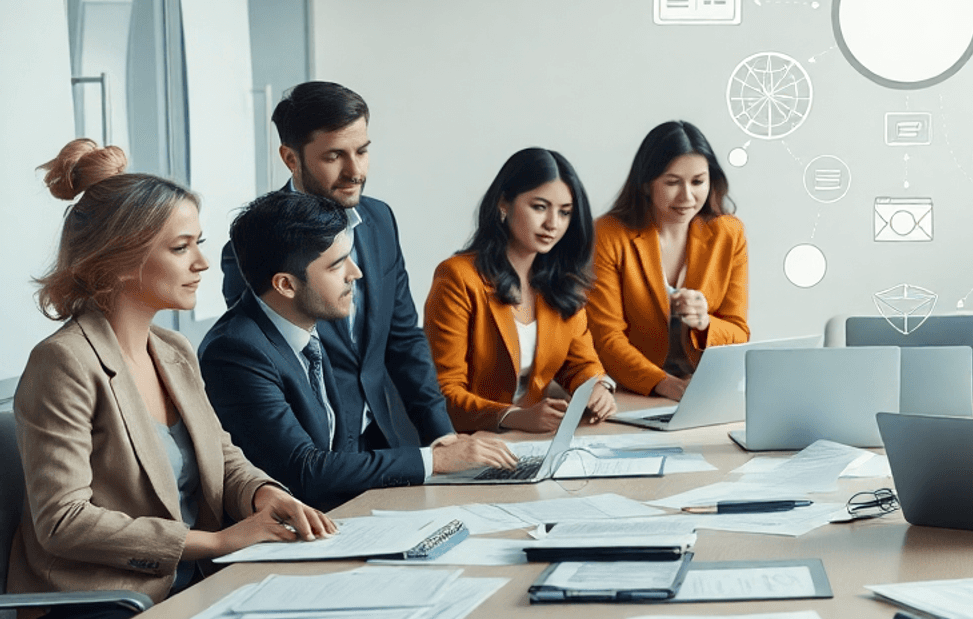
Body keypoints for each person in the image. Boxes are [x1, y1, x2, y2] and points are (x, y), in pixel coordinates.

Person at [8, 141, 334, 619]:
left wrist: (263, 495)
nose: (204, 262)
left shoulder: (174, 349)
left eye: (199, 243)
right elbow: (63, 521)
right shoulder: (62, 363)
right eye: (181, 247)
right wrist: (217, 541)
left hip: (178, 589)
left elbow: (222, 455)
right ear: (118, 261)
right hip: (93, 605)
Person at [200, 192, 515, 509]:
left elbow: (339, 457)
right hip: (288, 535)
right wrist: (435, 460)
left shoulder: (303, 323)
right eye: (337, 265)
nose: (356, 273)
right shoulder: (235, 351)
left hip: (342, 514)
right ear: (286, 285)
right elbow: (304, 470)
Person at [220, 82, 460, 464]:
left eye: (362, 151)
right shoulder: (252, 247)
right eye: (334, 156)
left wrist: (441, 434)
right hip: (318, 457)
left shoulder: (379, 220)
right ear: (290, 158)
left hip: (386, 440)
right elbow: (276, 354)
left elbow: (403, 338)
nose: (355, 171)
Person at [424, 148, 618, 433]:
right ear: (504, 203)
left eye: (565, 213)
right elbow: (444, 391)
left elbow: (581, 364)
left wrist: (598, 388)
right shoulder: (458, 277)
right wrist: (513, 416)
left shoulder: (561, 283)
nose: (553, 224)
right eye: (539, 207)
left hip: (534, 440)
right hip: (471, 441)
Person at [587, 121, 749, 398]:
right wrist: (662, 383)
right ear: (647, 184)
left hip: (701, 390)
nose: (687, 196)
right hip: (633, 390)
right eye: (672, 182)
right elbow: (606, 337)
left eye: (698, 181)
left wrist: (704, 323)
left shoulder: (729, 233)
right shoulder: (609, 233)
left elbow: (739, 333)